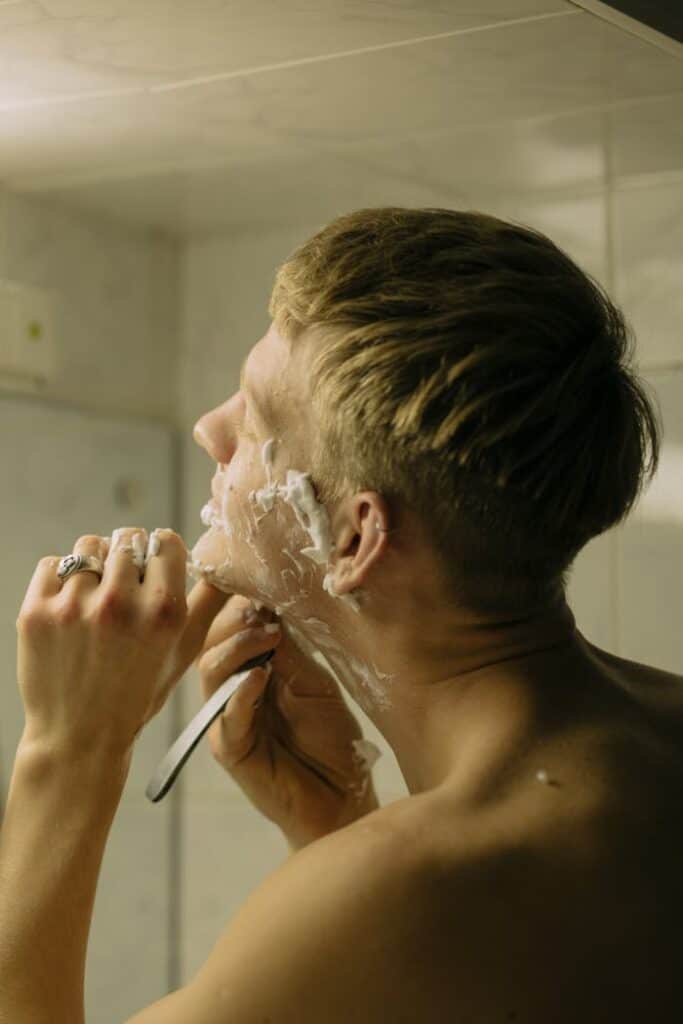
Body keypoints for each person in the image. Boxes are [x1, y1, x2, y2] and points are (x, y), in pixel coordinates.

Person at [2, 207, 681, 1023]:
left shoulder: (406, 891)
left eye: (255, 421)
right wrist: (332, 824)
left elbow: (421, 919)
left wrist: (70, 750)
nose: (208, 429)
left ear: (356, 535)